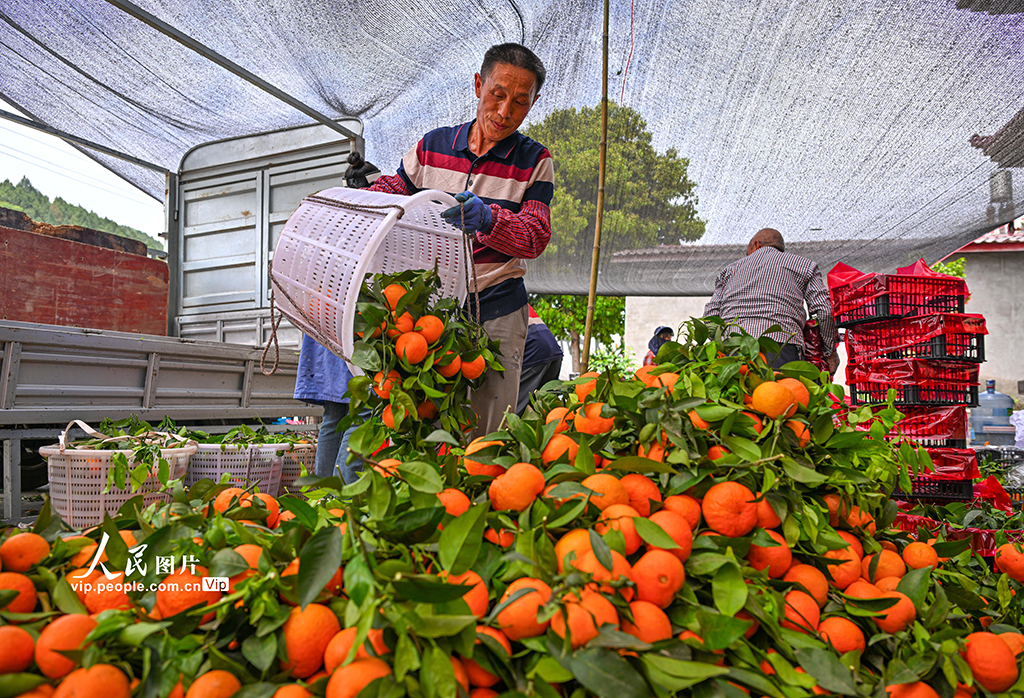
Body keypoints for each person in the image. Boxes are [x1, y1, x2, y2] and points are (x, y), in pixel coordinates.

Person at [368, 43, 553, 437]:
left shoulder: (534, 160)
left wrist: (489, 218)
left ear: (533, 103)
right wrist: (360, 194)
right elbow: (396, 192)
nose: (505, 113)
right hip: (433, 313)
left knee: (485, 431)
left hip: (497, 307)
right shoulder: (432, 147)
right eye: (497, 95)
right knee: (422, 421)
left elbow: (535, 235)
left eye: (520, 102)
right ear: (477, 86)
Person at [703, 228, 840, 372]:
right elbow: (824, 311)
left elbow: (710, 316)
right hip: (782, 349)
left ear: (756, 245)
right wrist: (829, 353)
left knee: (735, 394)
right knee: (781, 393)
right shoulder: (804, 266)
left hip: (731, 349)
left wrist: (718, 346)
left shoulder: (729, 270)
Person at [293, 337, 363, 483]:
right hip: (353, 343)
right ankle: (343, 497)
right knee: (361, 416)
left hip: (326, 343)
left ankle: (324, 496)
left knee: (333, 418)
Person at [516, 305, 563, 414]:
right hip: (551, 348)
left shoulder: (474, 296)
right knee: (545, 414)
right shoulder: (511, 292)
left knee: (512, 418)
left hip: (533, 350)